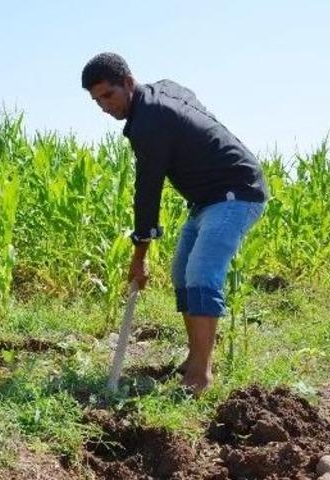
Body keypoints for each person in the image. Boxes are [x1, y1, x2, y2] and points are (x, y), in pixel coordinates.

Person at [80, 52, 268, 393]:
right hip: (207, 200)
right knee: (182, 273)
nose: (104, 106)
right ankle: (196, 358)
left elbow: (147, 192)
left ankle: (199, 376)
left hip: (236, 193)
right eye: (96, 101)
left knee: (201, 275)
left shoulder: (150, 123)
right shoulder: (159, 96)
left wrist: (140, 256)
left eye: (108, 95)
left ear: (128, 82)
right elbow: (184, 94)